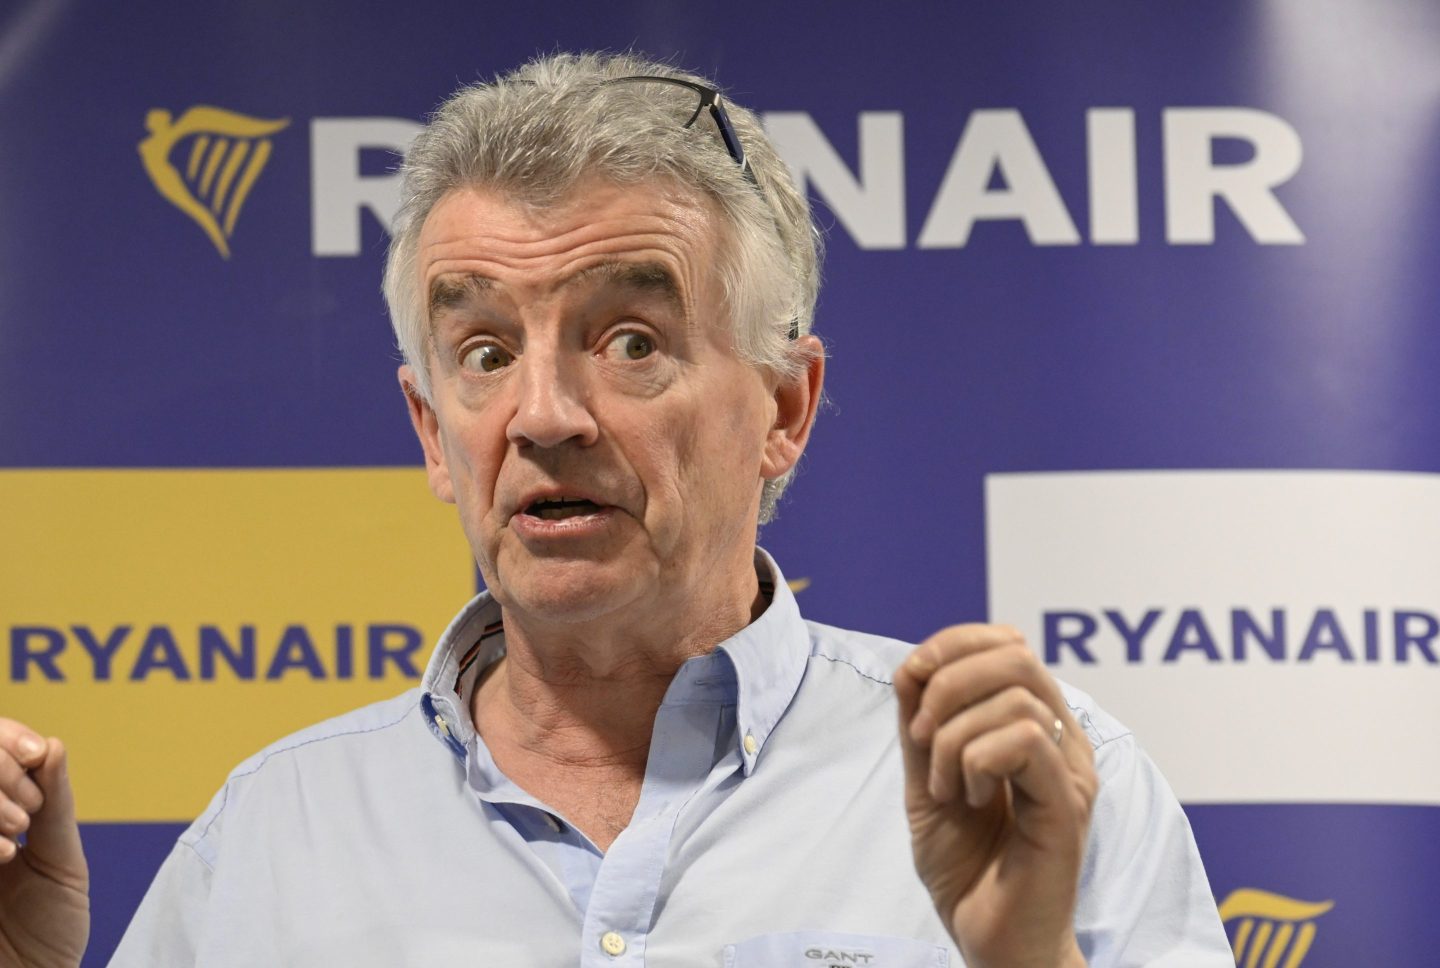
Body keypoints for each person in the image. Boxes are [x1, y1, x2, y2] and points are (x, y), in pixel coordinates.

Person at [0, 52, 1231, 966]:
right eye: (480, 351)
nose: (543, 413)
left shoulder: (1049, 794)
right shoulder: (269, 832)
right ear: (433, 432)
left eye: (631, 339)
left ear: (785, 408)